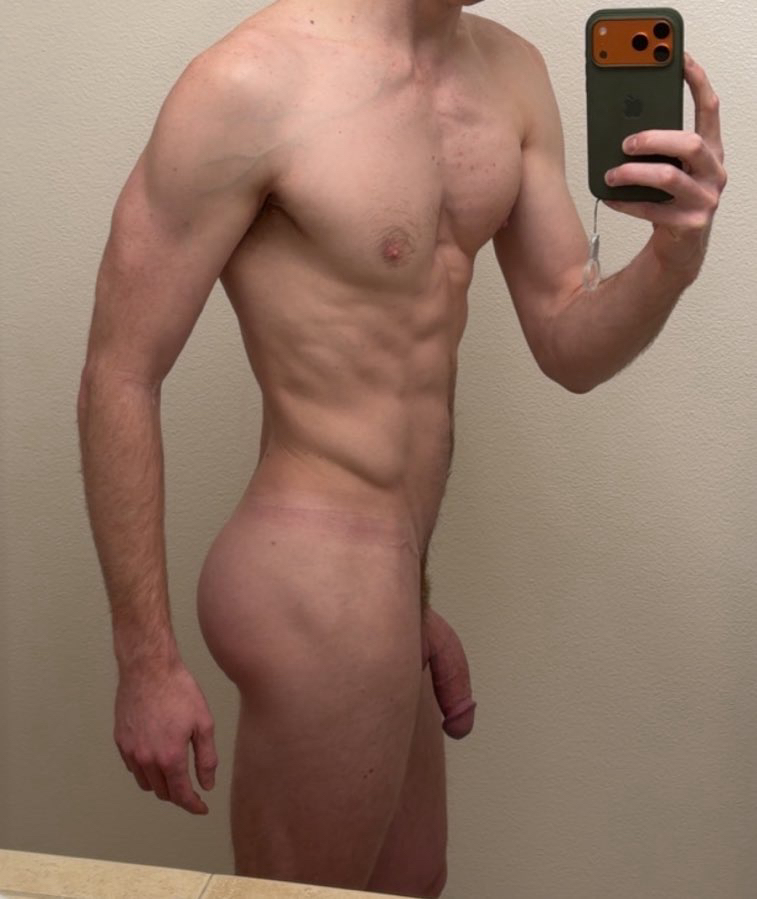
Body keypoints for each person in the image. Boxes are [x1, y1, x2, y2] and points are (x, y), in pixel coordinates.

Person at [76, 1, 727, 896]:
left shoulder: (510, 75)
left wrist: (672, 257)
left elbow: (566, 343)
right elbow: (119, 373)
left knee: (414, 880)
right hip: (311, 575)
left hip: (387, 580)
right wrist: (145, 660)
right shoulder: (250, 82)